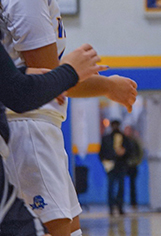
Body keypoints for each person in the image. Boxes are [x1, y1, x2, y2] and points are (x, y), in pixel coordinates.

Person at [0, 0, 138, 236]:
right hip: (29, 127)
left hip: (24, 127)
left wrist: (102, 85)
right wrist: (107, 85)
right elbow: (49, 80)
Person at [0, 41, 103, 235]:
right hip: (31, 125)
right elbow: (19, 94)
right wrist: (70, 71)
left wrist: (21, 74)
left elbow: (10, 85)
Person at [99, 120, 130, 216]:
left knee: (121, 187)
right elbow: (102, 153)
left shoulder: (124, 138)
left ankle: (120, 206)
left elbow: (129, 151)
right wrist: (106, 162)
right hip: (111, 166)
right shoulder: (106, 138)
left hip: (121, 165)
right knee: (111, 187)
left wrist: (124, 153)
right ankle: (111, 207)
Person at [124, 126, 143, 208]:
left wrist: (137, 161)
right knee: (121, 184)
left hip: (133, 165)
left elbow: (140, 152)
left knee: (133, 185)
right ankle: (119, 203)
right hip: (124, 165)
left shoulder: (134, 141)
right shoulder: (123, 141)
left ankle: (133, 202)